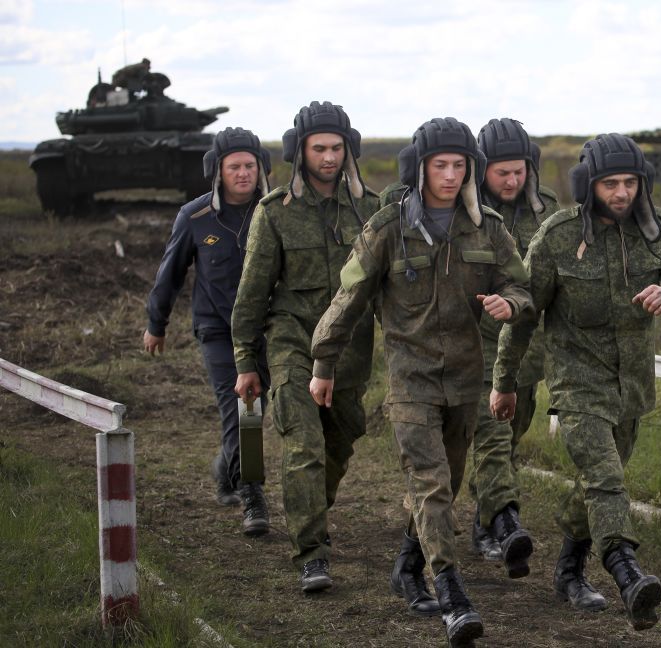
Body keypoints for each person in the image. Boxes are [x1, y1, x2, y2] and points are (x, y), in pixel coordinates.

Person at [308, 117, 532, 646]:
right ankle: (452, 596)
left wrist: (511, 303)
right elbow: (348, 298)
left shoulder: (487, 228)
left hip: (466, 381)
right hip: (410, 380)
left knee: (443, 487)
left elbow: (521, 286)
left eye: (459, 165)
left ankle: (408, 565)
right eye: (440, 165)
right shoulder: (388, 227)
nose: (450, 176)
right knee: (431, 485)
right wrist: (323, 363)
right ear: (421, 168)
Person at [491, 133, 661, 631]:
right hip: (577, 384)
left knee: (595, 481)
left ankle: (569, 569)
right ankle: (627, 574)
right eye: (611, 183)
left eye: (630, 182)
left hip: (631, 386)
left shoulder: (655, 230)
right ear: (588, 184)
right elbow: (523, 314)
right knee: (607, 478)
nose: (622, 192)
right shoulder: (558, 236)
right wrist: (504, 382)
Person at [231, 101, 380, 593]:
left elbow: (386, 286)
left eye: (337, 148)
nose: (329, 157)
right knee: (304, 444)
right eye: (319, 148)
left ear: (349, 149)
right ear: (300, 152)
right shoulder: (275, 211)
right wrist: (246, 361)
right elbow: (252, 293)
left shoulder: (371, 209)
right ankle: (312, 553)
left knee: (341, 439)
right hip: (292, 341)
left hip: (350, 349)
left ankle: (311, 508)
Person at [143, 126, 273, 537]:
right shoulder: (195, 217)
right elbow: (171, 272)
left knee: (256, 410)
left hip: (268, 328)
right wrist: (156, 323)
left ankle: (224, 467)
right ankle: (251, 493)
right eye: (234, 167)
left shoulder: (275, 211)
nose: (243, 173)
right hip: (217, 330)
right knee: (243, 406)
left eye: (250, 165)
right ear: (217, 170)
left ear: (261, 168)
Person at [468, 118, 559, 579]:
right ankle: (501, 525)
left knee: (511, 437)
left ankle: (484, 515)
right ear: (482, 169)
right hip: (478, 345)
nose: (511, 180)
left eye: (519, 171)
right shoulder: (466, 212)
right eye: (501, 172)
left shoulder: (549, 212)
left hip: (526, 351)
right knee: (494, 437)